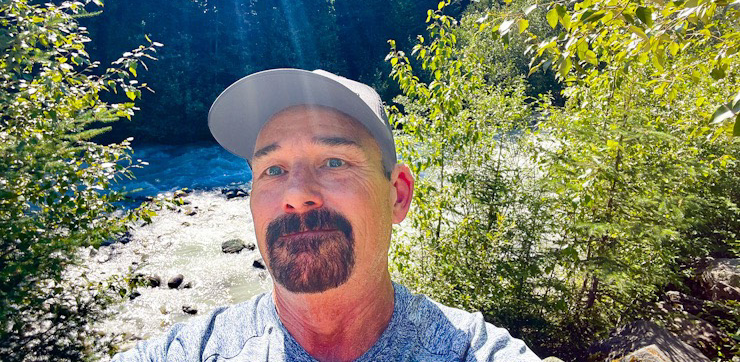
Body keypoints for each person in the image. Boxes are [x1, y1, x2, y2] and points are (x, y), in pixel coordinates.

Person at [113, 69, 541, 361]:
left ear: (397, 194)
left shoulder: (468, 351)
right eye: (273, 169)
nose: (297, 195)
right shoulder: (194, 351)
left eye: (334, 162)